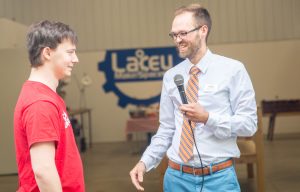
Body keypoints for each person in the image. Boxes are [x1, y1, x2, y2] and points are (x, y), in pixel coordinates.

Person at [130, 3, 257, 192]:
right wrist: (145, 161)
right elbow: (166, 129)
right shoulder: (171, 76)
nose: (177, 40)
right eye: (174, 35)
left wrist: (208, 118)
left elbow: (249, 124)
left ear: (203, 30)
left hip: (219, 179)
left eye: (183, 33)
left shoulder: (233, 70)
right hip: (176, 179)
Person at [14, 20, 85, 192]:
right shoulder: (40, 104)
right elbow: (43, 171)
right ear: (47, 53)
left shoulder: (47, 97)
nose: (76, 59)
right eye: (70, 52)